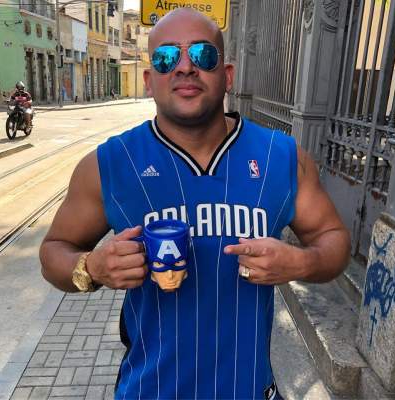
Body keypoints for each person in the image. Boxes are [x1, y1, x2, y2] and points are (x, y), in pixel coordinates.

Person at [39, 8, 350, 400]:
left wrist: (302, 263)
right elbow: (53, 252)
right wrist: (91, 267)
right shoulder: (109, 165)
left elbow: (334, 239)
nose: (185, 67)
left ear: (228, 76)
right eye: (167, 58)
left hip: (248, 390)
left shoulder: (282, 157)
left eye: (203, 55)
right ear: (150, 81)